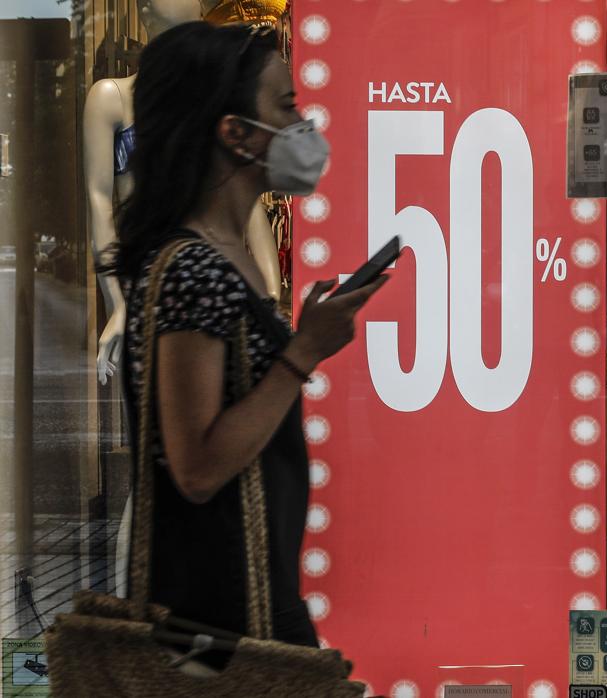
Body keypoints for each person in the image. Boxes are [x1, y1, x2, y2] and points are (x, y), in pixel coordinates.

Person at [103, 22, 384, 647]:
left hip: (247, 601)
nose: (301, 124)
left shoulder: (225, 255)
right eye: (284, 107)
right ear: (234, 133)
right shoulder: (194, 268)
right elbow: (198, 467)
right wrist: (303, 350)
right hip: (225, 621)